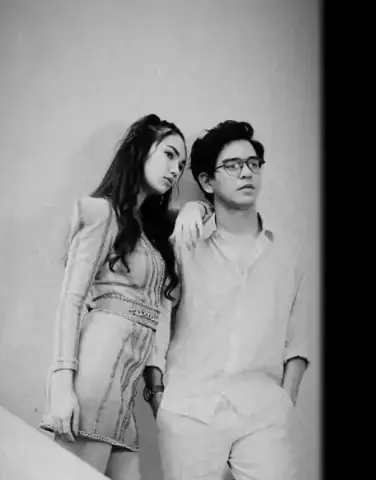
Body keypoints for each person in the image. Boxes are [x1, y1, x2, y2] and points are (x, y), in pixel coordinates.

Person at [143, 120, 311, 480]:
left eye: (253, 164)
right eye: (233, 166)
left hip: (263, 412)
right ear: (207, 182)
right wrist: (157, 395)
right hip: (189, 409)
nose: (246, 173)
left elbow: (298, 338)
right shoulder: (184, 243)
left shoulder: (288, 253)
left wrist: (286, 398)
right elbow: (158, 324)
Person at [39, 113, 188, 480]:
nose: (175, 170)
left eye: (182, 164)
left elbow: (160, 314)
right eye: (169, 155)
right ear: (141, 151)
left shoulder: (155, 236)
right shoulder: (102, 214)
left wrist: (156, 386)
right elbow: (71, 301)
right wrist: (61, 385)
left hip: (133, 388)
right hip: (95, 373)